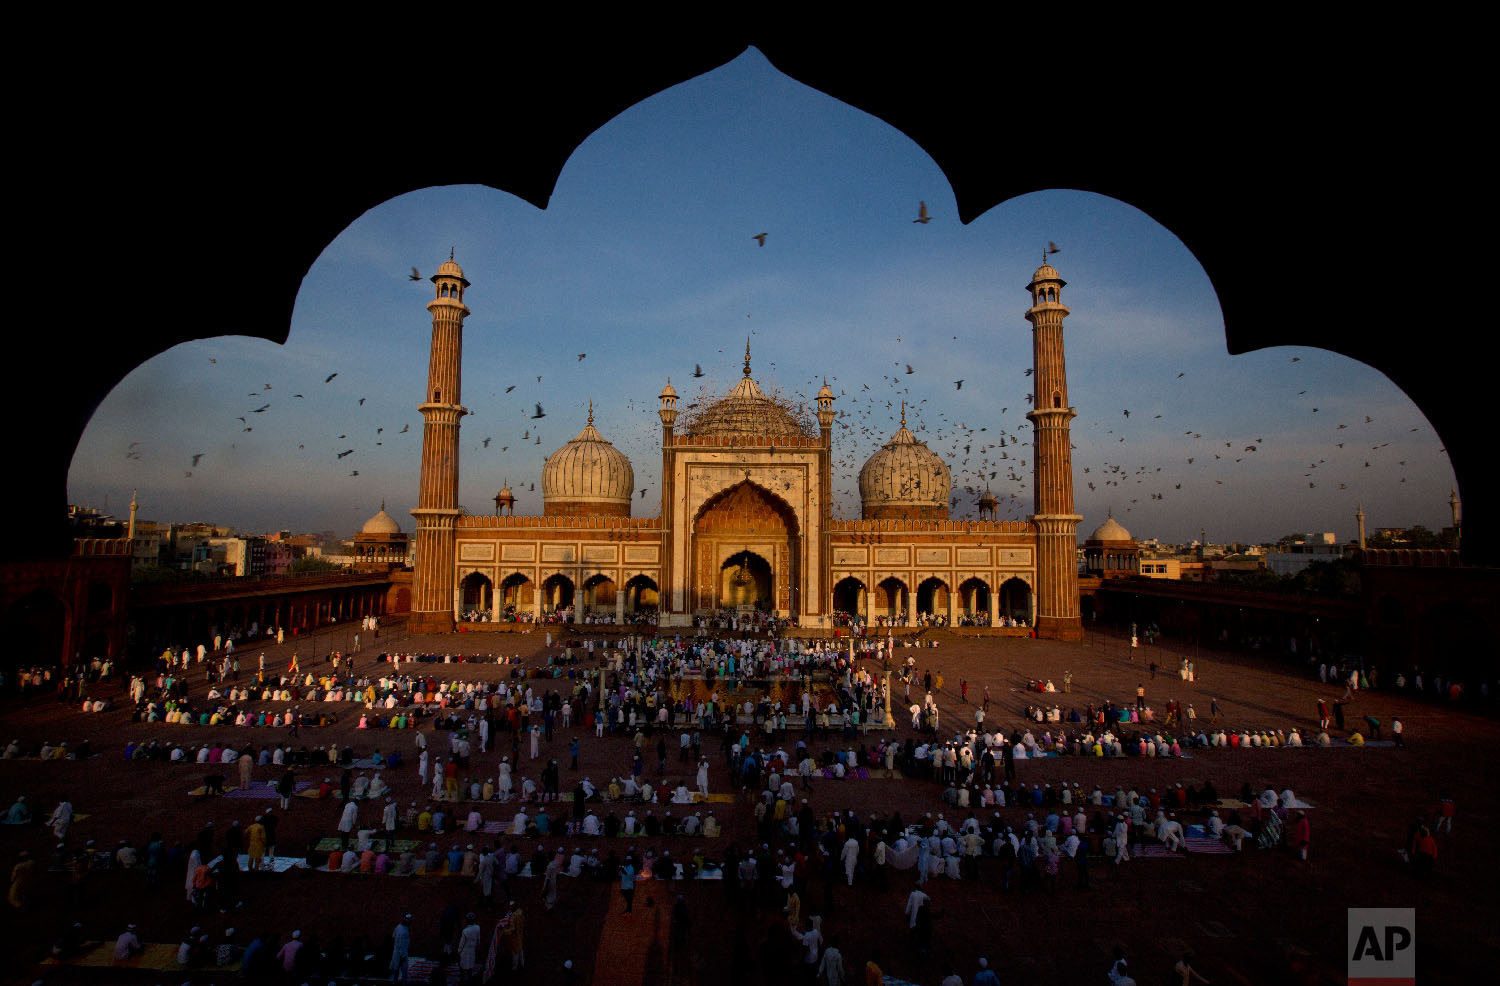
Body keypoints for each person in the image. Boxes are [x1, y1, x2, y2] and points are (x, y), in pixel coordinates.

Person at [459, 912, 482, 985]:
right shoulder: (478, 927)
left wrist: (459, 951)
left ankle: (462, 979)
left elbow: (462, 943)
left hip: (465, 951)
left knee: (462, 966)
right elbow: (478, 939)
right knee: (470, 965)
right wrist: (478, 946)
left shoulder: (465, 931)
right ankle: (469, 979)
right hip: (472, 950)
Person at [390, 914, 412, 984]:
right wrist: (402, 955)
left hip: (396, 951)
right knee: (404, 972)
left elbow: (393, 937)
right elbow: (402, 945)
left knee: (396, 971)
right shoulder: (405, 932)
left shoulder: (398, 927)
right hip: (402, 953)